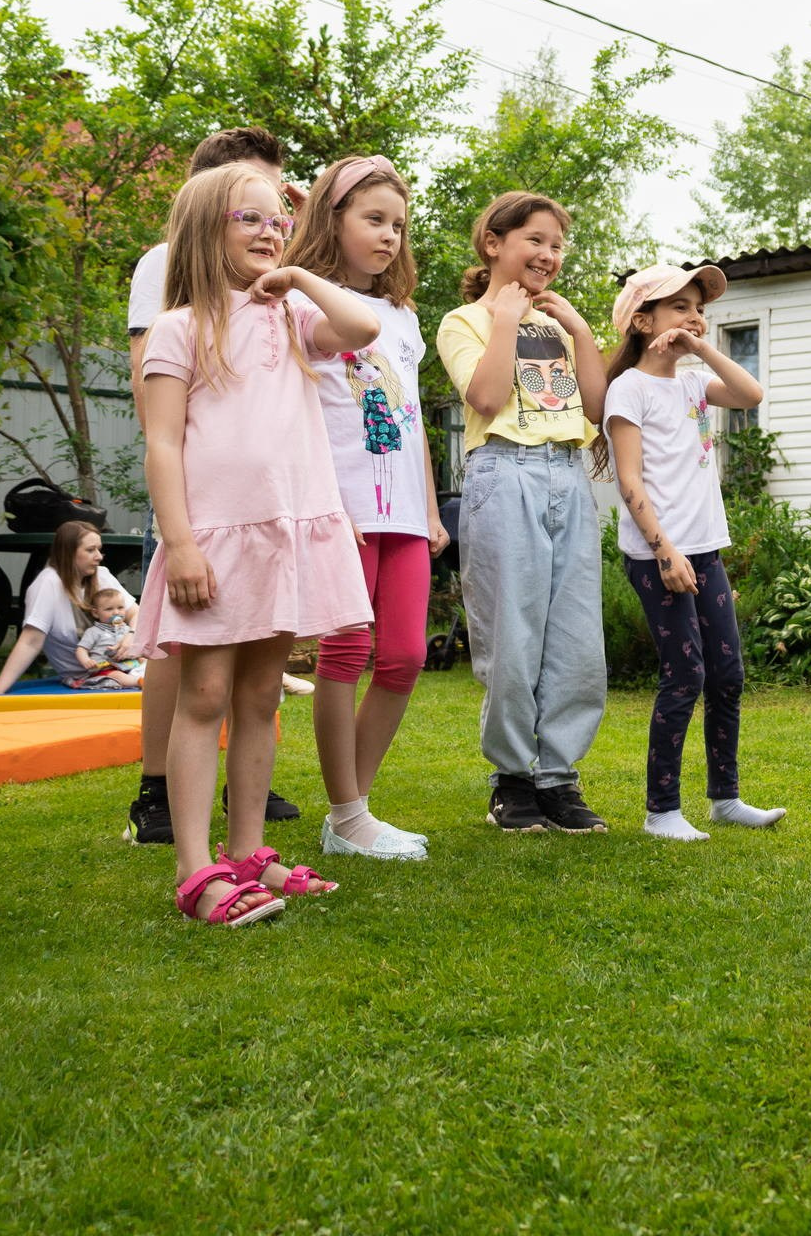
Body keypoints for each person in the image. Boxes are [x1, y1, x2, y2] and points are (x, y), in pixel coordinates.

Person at [135, 162, 376, 925]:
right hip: (214, 539)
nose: (272, 232)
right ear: (210, 230)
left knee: (262, 695)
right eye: (252, 220)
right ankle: (195, 868)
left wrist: (299, 275)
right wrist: (180, 545)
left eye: (280, 222)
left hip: (286, 533)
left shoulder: (294, 318)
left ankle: (246, 854)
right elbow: (163, 445)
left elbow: (364, 327)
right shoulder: (176, 329)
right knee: (204, 695)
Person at [122, 126, 303, 845]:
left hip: (263, 501)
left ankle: (242, 807)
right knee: (184, 653)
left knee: (255, 663)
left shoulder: (275, 283)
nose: (270, 209)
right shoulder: (164, 267)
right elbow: (154, 388)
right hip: (196, 493)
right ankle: (157, 789)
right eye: (251, 191)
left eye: (277, 198)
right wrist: (182, 513)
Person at [280, 154, 447, 862]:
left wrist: (433, 510)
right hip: (341, 507)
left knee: (405, 657)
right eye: (373, 220)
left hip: (406, 512)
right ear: (333, 220)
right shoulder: (300, 304)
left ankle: (353, 813)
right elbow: (294, 413)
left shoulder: (403, 317)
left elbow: (412, 422)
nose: (389, 237)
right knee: (346, 653)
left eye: (398, 226)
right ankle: (348, 815)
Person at [434, 190, 609, 834]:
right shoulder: (463, 321)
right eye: (535, 239)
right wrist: (506, 321)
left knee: (576, 641)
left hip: (567, 475)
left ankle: (559, 777)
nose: (549, 254)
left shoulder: (562, 325)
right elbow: (482, 397)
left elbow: (593, 408)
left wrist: (583, 331)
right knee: (512, 634)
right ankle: (512, 778)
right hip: (504, 473)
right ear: (494, 244)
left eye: (558, 246)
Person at [601, 262, 781, 843]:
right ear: (642, 320)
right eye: (679, 306)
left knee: (727, 674)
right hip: (660, 557)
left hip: (705, 550)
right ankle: (661, 811)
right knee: (685, 675)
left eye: (698, 307)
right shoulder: (628, 389)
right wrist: (665, 552)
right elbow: (630, 483)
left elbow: (750, 394)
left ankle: (725, 798)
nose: (695, 316)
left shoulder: (691, 382)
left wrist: (702, 351)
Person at [0, 521, 133, 694]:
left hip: (130, 664)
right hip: (93, 676)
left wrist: (131, 635)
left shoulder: (102, 575)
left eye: (99, 549)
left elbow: (137, 613)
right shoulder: (48, 584)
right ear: (68, 553)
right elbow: (31, 641)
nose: (99, 556)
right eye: (90, 550)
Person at [73, 585, 142, 687]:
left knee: (146, 660)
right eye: (109, 609)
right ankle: (139, 682)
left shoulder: (128, 630)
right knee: (117, 676)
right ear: (96, 613)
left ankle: (148, 676)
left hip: (129, 664)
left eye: (120, 607)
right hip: (105, 668)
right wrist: (86, 661)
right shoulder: (93, 631)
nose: (116, 612)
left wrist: (137, 655)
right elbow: (81, 649)